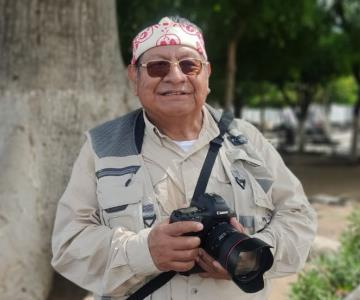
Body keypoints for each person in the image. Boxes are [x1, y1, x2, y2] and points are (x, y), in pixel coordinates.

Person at [51, 16, 317, 300]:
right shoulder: (102, 146)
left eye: (189, 65)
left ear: (207, 74)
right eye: (157, 67)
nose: (176, 77)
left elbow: (298, 216)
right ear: (134, 77)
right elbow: (69, 243)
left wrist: (253, 253)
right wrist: (144, 251)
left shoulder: (246, 140)